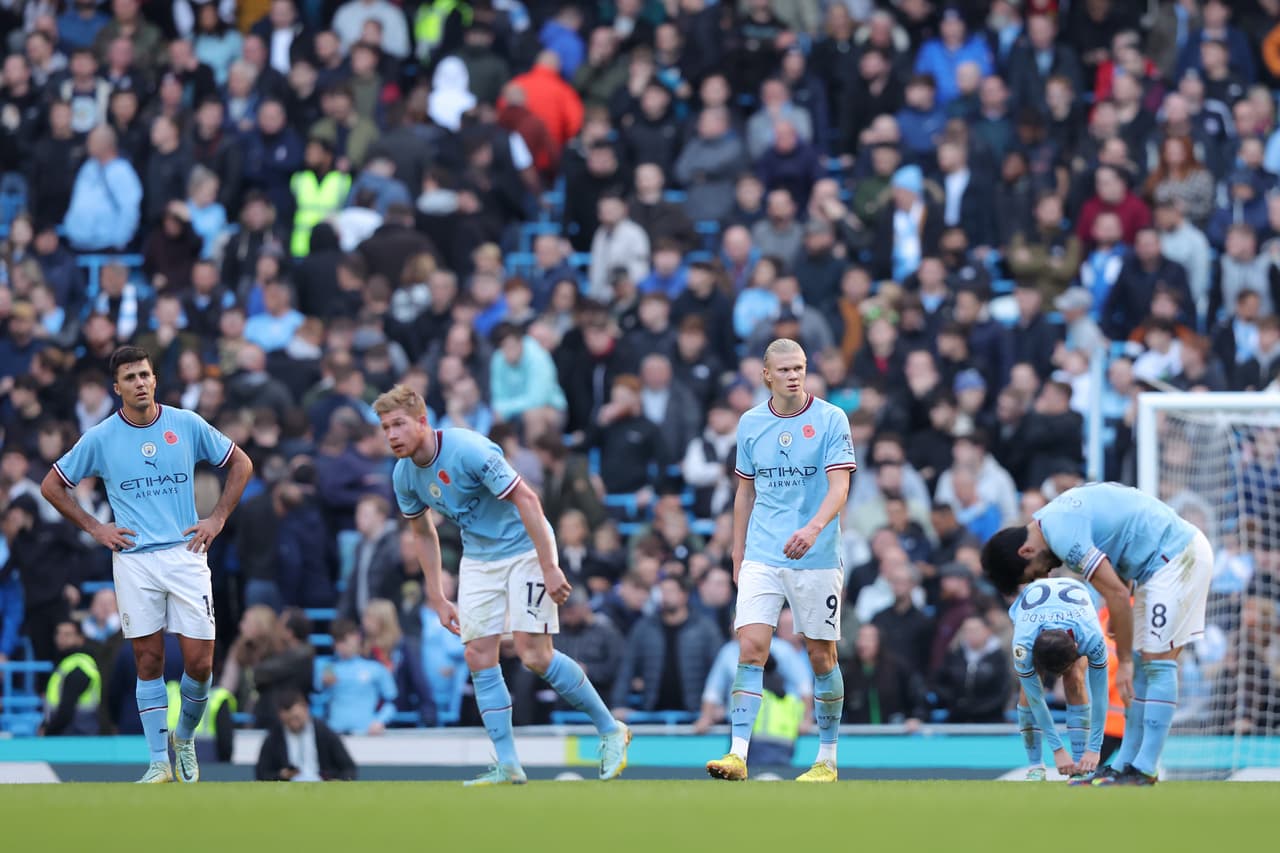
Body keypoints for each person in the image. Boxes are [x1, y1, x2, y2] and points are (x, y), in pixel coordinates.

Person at [374, 385, 630, 785]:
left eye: (398, 424)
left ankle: (611, 729)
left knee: (534, 655)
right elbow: (423, 534)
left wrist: (549, 566)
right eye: (385, 427)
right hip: (480, 558)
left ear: (422, 421)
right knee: (478, 655)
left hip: (525, 547)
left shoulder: (468, 449)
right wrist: (436, 596)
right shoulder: (404, 475)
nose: (391, 435)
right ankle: (509, 764)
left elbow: (528, 499)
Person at [39, 345, 253, 783]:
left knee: (200, 664)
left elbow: (241, 464)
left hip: (185, 553)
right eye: (130, 377)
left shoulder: (186, 423)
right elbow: (52, 486)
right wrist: (96, 528)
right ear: (116, 388)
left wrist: (217, 518)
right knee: (148, 659)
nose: (139, 383)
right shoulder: (101, 437)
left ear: (155, 379)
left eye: (144, 375)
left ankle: (184, 737)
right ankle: (158, 761)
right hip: (135, 559)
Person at [981, 482, 1214, 786]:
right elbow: (1120, 542)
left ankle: (1145, 768)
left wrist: (1124, 661)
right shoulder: (1054, 519)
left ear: (1026, 551)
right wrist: (1120, 614)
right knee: (1144, 667)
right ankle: (1125, 764)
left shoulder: (1062, 536)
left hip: (1177, 558)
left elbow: (1116, 593)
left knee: (1155, 664)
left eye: (1035, 572)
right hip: (1155, 566)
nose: (1046, 575)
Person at [705, 338, 856, 783]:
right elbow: (745, 492)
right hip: (764, 552)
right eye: (785, 369)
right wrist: (738, 552)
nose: (794, 376)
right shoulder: (751, 423)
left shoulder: (831, 418)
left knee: (821, 656)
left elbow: (840, 486)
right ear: (766, 375)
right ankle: (737, 753)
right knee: (751, 647)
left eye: (800, 368)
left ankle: (827, 759)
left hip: (817, 554)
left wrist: (813, 529)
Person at [1007, 577, 1110, 783]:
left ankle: (1080, 763)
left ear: (1077, 649)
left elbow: (1100, 696)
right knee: (1028, 691)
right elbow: (1036, 699)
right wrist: (1058, 750)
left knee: (1074, 678)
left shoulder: (1092, 638)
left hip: (1079, 604)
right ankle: (1035, 765)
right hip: (1030, 610)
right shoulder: (1023, 644)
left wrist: (1094, 749)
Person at [255, 689, 357, 782]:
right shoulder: (274, 738)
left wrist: (336, 781)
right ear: (281, 716)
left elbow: (348, 768)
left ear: (306, 709)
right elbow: (262, 774)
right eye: (289, 720)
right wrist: (281, 775)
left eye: (296, 718)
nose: (294, 724)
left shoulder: (323, 732)